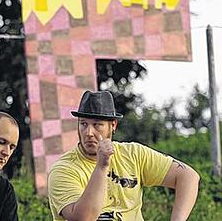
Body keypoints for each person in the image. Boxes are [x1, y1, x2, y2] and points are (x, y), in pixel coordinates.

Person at [47, 90, 200, 221]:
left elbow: (188, 177)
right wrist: (101, 166)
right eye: (83, 124)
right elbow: (83, 218)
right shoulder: (63, 169)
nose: (89, 133)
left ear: (113, 125)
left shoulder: (133, 154)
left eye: (97, 124)